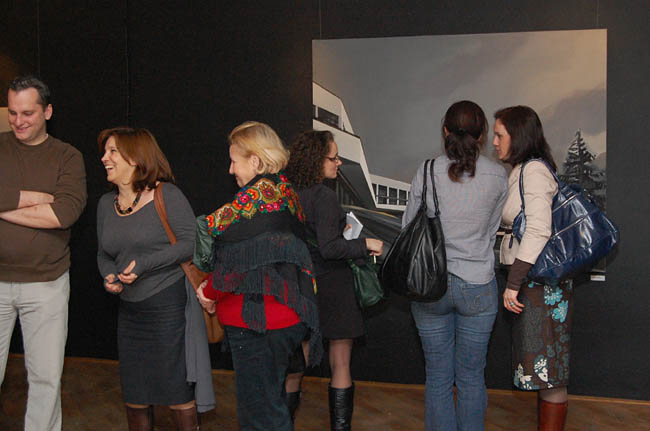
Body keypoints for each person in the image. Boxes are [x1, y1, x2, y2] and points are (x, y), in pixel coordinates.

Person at [194, 121, 321, 431]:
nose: (230, 170)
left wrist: (208, 293)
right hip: (285, 321)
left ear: (254, 160)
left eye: (234, 161)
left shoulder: (254, 202)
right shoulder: (285, 193)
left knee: (258, 416)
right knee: (272, 406)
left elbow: (236, 265)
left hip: (258, 326)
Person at [96, 127, 214, 431]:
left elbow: (189, 244)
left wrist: (145, 264)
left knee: (177, 394)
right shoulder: (105, 205)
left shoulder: (167, 195)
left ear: (136, 158)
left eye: (113, 151)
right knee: (135, 395)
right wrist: (109, 274)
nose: (104, 158)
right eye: (105, 152)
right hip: (130, 313)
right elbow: (103, 253)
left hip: (168, 310)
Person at [403, 101, 508, 431]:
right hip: (477, 284)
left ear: (445, 131)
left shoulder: (427, 170)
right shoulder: (497, 175)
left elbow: (408, 227)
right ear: (482, 135)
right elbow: (491, 230)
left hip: (430, 285)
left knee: (437, 375)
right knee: (472, 376)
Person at [0, 75, 87, 431]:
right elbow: (47, 208)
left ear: (47, 111)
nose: (18, 121)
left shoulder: (68, 156)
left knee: (45, 379)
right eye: (13, 112)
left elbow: (62, 214)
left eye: (28, 113)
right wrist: (33, 197)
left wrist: (3, 205)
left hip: (47, 284)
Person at [284, 130, 384, 431]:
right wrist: (365, 244)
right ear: (316, 160)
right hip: (332, 285)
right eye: (333, 158)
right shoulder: (324, 197)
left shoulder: (286, 192)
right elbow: (330, 248)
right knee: (340, 363)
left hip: (298, 283)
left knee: (295, 365)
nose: (338, 163)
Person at [494, 105, 572, 430]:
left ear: (518, 136)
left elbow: (539, 229)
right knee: (543, 370)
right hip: (533, 283)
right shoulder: (523, 170)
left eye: (500, 135)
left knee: (548, 371)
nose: (494, 142)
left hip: (538, 286)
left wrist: (513, 283)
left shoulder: (534, 171)